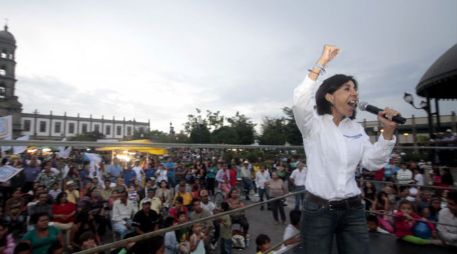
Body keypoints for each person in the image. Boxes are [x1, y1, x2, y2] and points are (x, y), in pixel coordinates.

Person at [293, 45, 398, 254]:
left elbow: (372, 162)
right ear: (330, 97)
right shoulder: (313, 125)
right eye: (347, 88)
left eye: (355, 89)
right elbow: (299, 99)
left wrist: (387, 133)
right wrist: (321, 62)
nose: (355, 93)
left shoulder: (357, 129)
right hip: (318, 212)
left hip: (354, 211)